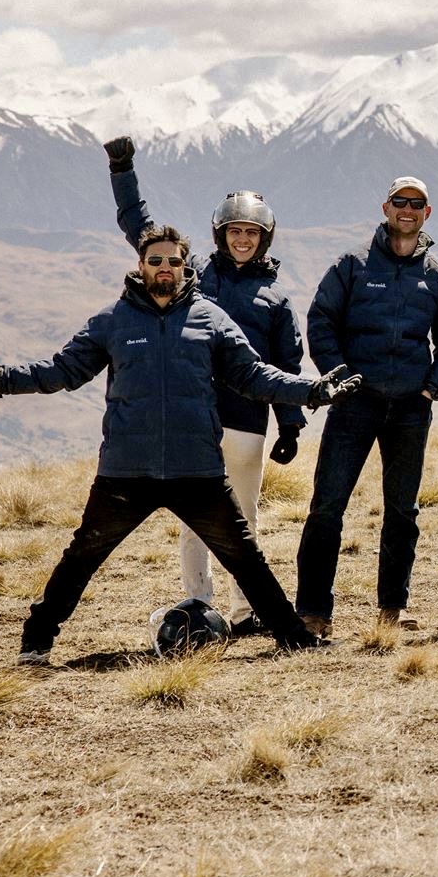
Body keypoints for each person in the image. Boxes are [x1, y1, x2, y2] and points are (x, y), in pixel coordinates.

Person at [0, 225, 357, 663]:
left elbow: (254, 376)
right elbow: (61, 370)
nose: (165, 268)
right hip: (126, 473)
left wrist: (312, 391)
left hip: (196, 470)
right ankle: (36, 642)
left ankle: (294, 639)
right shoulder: (114, 320)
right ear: (140, 265)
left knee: (245, 558)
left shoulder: (210, 319)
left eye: (174, 261)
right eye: (155, 260)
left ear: (185, 266)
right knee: (82, 556)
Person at [101, 136, 308, 638]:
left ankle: (244, 612)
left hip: (247, 423)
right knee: (194, 521)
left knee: (245, 520)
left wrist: (291, 425)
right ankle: (199, 606)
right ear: (220, 234)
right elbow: (140, 228)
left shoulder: (275, 300)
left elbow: (285, 364)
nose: (243, 240)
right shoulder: (191, 275)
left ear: (265, 238)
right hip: (194, 421)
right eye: (235, 231)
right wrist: (122, 170)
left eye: (252, 232)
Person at [297, 177, 438, 636]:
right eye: (399, 202)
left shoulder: (437, 276)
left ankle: (393, 608)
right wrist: (340, 379)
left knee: (402, 511)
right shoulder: (352, 265)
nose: (407, 210)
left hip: (411, 407)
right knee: (327, 507)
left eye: (416, 203)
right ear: (386, 207)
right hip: (355, 404)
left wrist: (434, 387)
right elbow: (321, 321)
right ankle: (313, 612)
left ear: (427, 213)